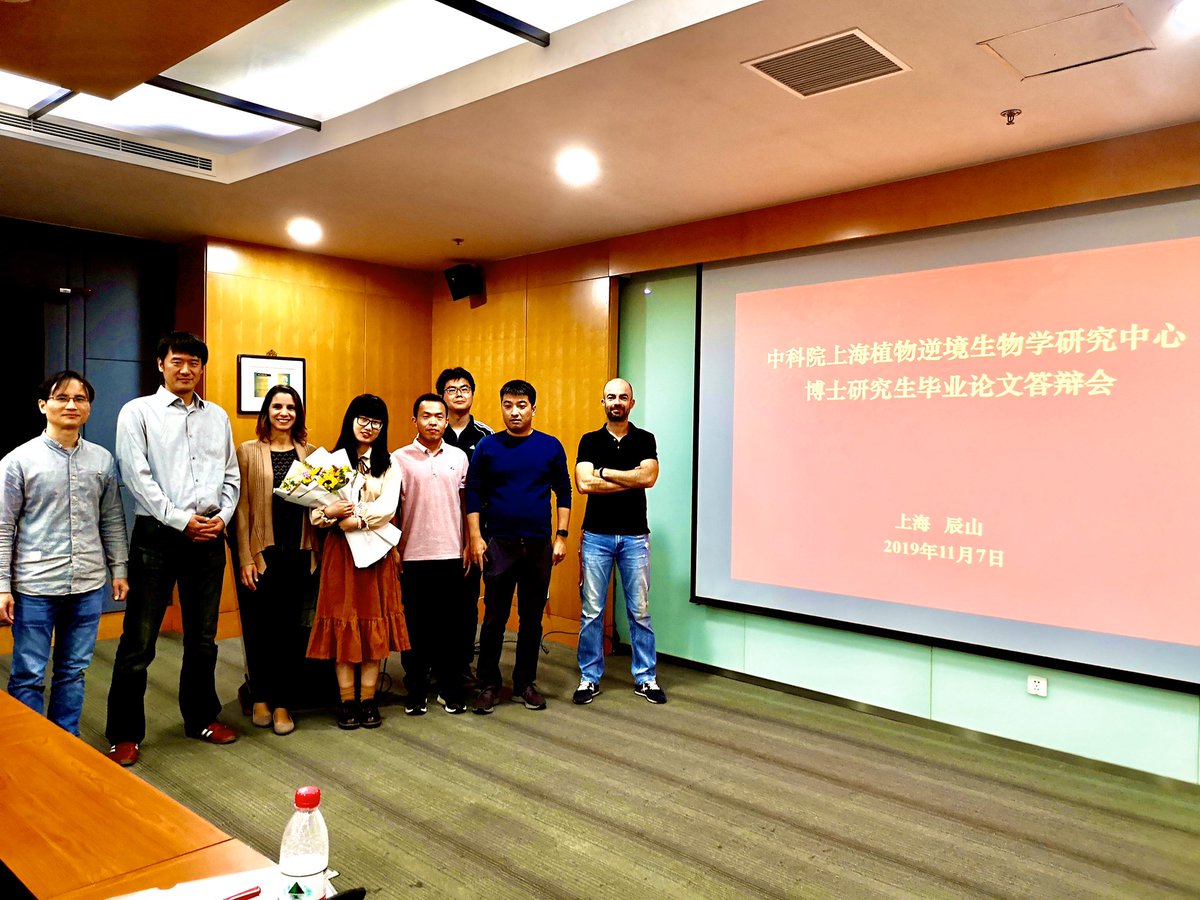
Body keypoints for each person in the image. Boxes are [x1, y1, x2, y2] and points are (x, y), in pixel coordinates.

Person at [105, 332, 241, 767]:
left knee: (203, 638)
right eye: (177, 361)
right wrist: (181, 520)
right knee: (139, 641)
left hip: (209, 535)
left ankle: (201, 717)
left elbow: (231, 473)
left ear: (202, 368)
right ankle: (125, 733)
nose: (186, 369)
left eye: (194, 363)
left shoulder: (217, 416)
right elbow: (136, 475)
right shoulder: (138, 412)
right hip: (158, 535)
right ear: (160, 364)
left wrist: (223, 517)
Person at [0, 371, 129, 735]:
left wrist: (119, 569)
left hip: (87, 583)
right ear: (43, 406)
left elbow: (112, 519)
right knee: (28, 674)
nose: (72, 405)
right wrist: (2, 586)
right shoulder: (18, 461)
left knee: (73, 671)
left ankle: (64, 742)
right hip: (35, 585)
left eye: (80, 398)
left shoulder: (102, 460)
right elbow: (3, 527)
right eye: (62, 398)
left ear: (88, 408)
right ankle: (29, 748)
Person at [466, 379, 571, 713]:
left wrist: (562, 536)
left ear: (533, 408)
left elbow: (564, 490)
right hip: (499, 544)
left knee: (531, 619)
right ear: (501, 407)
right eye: (508, 405)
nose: (514, 412)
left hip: (538, 545)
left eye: (521, 405)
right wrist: (475, 537)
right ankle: (488, 684)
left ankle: (525, 683)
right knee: (494, 618)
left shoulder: (550, 446)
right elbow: (473, 491)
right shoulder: (488, 446)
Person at [306, 394, 408, 730]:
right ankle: (347, 702)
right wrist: (332, 513)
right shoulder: (331, 461)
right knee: (344, 623)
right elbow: (315, 513)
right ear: (350, 420)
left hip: (377, 553)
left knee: (372, 625)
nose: (369, 427)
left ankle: (368, 701)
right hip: (341, 554)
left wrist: (357, 519)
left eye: (376, 422)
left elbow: (388, 508)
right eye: (363, 419)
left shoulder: (389, 464)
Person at [573, 378, 666, 705]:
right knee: (592, 611)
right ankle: (589, 677)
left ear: (631, 403)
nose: (617, 402)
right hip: (596, 536)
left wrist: (605, 472)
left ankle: (646, 677)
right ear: (603, 402)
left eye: (622, 397)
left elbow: (649, 477)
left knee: (639, 611)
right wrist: (630, 478)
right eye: (611, 397)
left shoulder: (645, 439)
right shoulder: (589, 440)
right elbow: (584, 484)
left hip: (635, 536)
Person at [233, 384, 317, 736]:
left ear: (298, 414)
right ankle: (261, 696)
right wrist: (244, 556)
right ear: (266, 411)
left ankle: (284, 703)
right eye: (277, 406)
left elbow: (319, 502)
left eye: (291, 407)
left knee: (292, 631)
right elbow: (241, 508)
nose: (284, 413)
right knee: (259, 628)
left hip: (299, 553)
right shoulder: (247, 451)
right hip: (260, 554)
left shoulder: (311, 454)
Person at [392, 393, 470, 715]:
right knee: (415, 627)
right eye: (426, 416)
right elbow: (392, 509)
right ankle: (416, 689)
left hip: (451, 553)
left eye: (439, 416)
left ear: (447, 420)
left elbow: (466, 504)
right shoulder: (398, 458)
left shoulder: (459, 457)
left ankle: (450, 688)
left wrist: (469, 542)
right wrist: (394, 549)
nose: (433, 422)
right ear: (415, 420)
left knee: (451, 627)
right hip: (413, 554)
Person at [437, 366, 493, 682]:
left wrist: (478, 534)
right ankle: (434, 664)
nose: (458, 394)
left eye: (464, 389)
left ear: (472, 394)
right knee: (437, 600)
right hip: (437, 527)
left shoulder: (486, 435)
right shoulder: (432, 429)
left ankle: (461, 665)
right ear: (441, 396)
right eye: (451, 389)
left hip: (475, 529)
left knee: (467, 600)